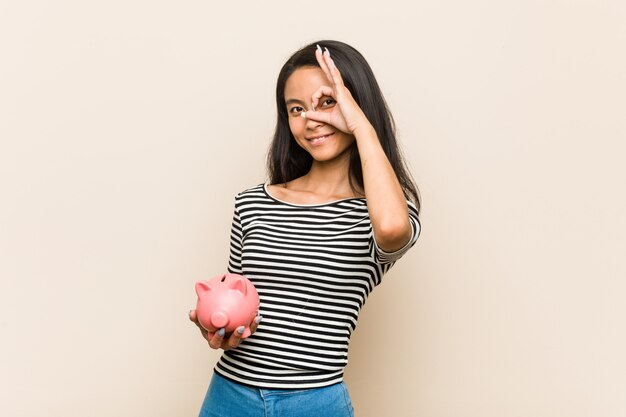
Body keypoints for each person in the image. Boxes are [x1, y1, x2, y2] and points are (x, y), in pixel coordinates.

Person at [189, 40, 421, 417]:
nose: (310, 119)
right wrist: (221, 331)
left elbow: (394, 229)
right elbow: (238, 299)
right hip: (229, 397)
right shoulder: (252, 202)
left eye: (327, 102)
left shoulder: (383, 212)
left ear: (355, 104)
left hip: (314, 403)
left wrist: (360, 125)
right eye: (296, 109)